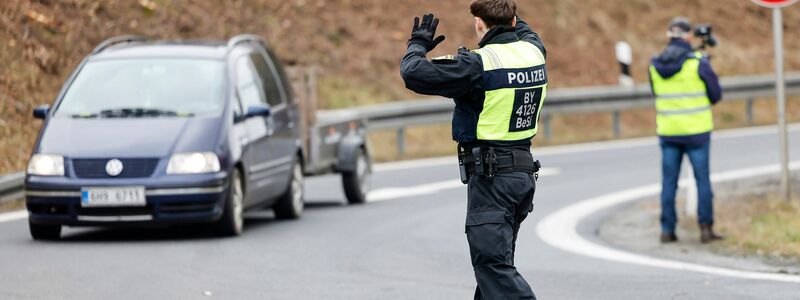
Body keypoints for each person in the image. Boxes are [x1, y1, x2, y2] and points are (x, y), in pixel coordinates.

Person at [400, 0, 545, 299]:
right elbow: (522, 27)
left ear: (479, 23)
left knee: (493, 268)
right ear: (515, 20)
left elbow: (413, 73)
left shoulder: (477, 65)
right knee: (495, 270)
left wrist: (417, 44)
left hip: (493, 181)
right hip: (522, 177)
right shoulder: (534, 51)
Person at [649, 17, 723, 244]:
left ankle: (667, 230)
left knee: (669, 183)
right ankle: (706, 229)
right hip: (697, 132)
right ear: (688, 37)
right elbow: (715, 95)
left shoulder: (654, 64)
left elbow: (656, 93)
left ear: (669, 36)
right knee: (702, 180)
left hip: (669, 131)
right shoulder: (698, 62)